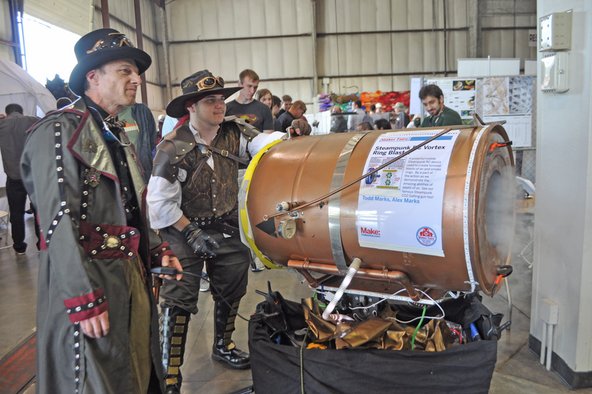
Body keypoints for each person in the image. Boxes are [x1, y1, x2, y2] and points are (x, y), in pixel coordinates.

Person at [20, 28, 183, 394]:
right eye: (125, 71)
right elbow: (58, 220)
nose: (137, 80)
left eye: (135, 72)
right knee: (93, 380)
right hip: (88, 280)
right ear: (93, 77)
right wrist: (83, 298)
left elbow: (130, 203)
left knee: (136, 372)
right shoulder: (59, 130)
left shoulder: (114, 131)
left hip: (129, 277)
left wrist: (157, 250)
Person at [147, 70, 284, 393]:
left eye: (222, 100)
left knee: (232, 286)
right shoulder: (172, 147)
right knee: (179, 299)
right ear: (191, 107)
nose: (220, 106)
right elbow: (159, 205)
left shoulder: (235, 132)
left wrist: (290, 139)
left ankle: (223, 345)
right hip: (181, 231)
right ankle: (170, 370)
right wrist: (190, 232)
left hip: (224, 227)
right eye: (211, 101)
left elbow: (266, 143)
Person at [0, 103, 40, 254]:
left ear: (7, 112)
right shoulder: (34, 120)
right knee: (38, 211)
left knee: (16, 213)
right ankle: (41, 244)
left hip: (13, 177)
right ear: (21, 111)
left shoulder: (2, 125)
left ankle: (19, 246)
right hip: (34, 175)